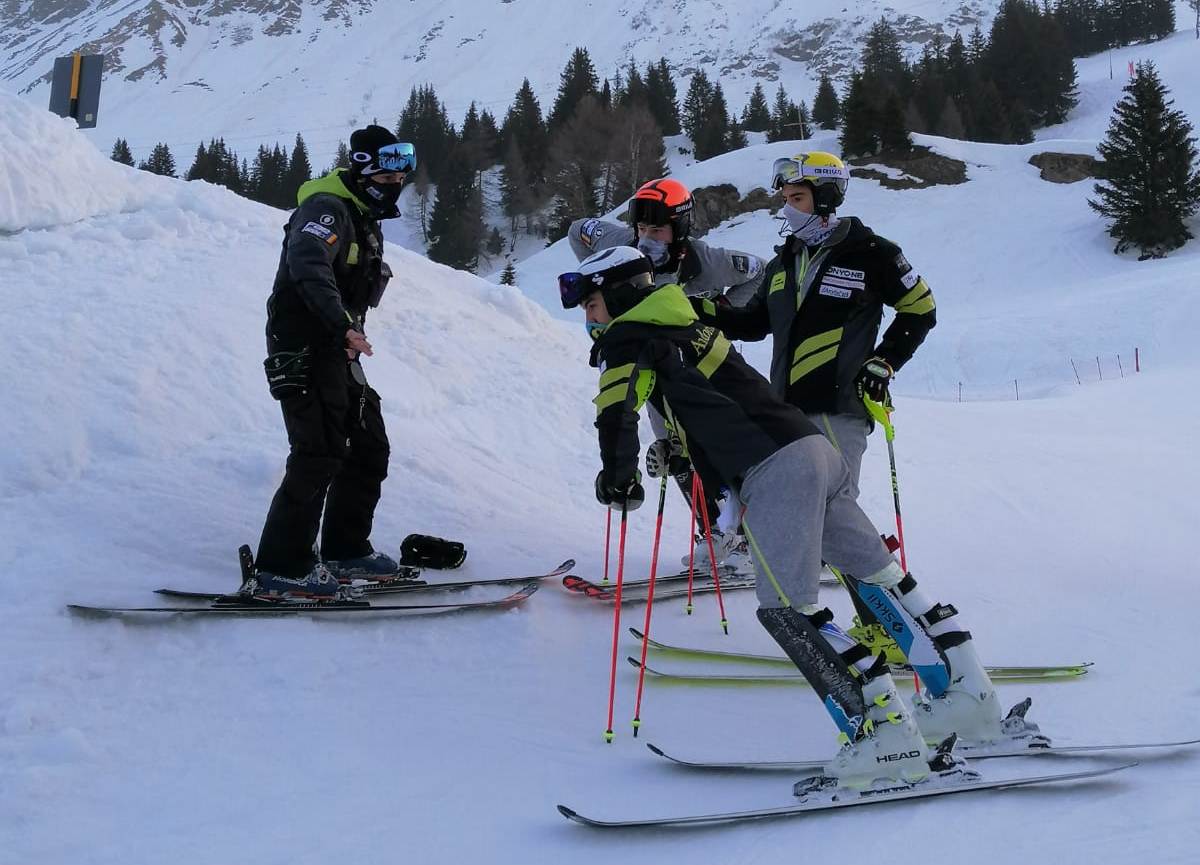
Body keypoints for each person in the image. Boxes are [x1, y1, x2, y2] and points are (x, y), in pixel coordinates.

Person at [559, 247, 1039, 790]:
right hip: (812, 450)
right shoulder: (686, 325)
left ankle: (882, 735)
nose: (589, 318)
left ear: (620, 296)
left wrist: (618, 477)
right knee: (883, 576)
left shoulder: (630, 337)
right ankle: (968, 697)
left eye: (593, 304)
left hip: (774, 470)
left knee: (787, 610)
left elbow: (615, 408)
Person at [691, 151, 937, 501]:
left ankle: (853, 559)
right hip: (784, 410)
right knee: (787, 507)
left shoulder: (872, 253)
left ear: (825, 197)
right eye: (786, 199)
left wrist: (885, 361)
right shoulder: (782, 263)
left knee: (834, 509)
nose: (787, 208)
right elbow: (753, 324)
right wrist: (695, 310)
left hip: (839, 407)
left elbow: (920, 309)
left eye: (797, 198)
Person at [252, 125, 415, 599]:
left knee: (368, 445)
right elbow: (307, 261)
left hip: (337, 347)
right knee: (318, 451)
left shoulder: (361, 216)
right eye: (386, 180)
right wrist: (340, 322)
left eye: (398, 181)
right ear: (363, 173)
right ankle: (281, 566)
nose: (394, 188)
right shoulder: (326, 209)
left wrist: (346, 330)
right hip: (304, 345)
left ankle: (345, 550)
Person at [569, 178, 766, 569]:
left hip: (694, 364)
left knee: (711, 445)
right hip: (645, 361)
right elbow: (578, 231)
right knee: (674, 453)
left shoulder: (706, 260)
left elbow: (757, 272)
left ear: (679, 229)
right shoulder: (619, 241)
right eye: (641, 229)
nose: (646, 238)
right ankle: (711, 532)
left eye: (657, 230)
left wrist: (718, 312)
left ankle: (745, 537)